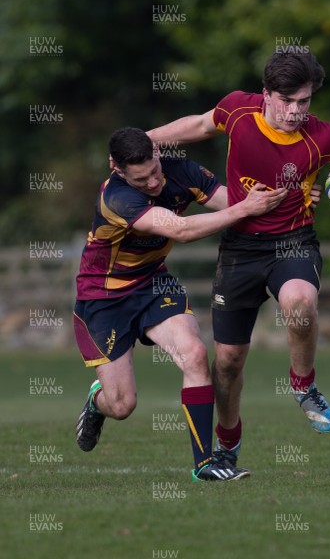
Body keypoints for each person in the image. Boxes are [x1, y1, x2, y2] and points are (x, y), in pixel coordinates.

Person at [146, 50, 330, 472]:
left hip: (294, 241)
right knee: (227, 361)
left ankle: (303, 384)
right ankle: (228, 441)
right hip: (240, 247)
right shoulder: (239, 110)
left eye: (305, 101)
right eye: (288, 100)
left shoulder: (324, 137)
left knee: (299, 301)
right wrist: (146, 140)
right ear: (266, 95)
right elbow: (200, 125)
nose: (297, 111)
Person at [74, 126, 287, 482]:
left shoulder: (181, 170)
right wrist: (244, 210)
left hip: (154, 283)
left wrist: (291, 198)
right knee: (122, 405)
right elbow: (182, 230)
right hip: (103, 298)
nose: (155, 183)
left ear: (157, 153)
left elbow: (235, 203)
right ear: (117, 168)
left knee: (195, 353)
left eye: (156, 172)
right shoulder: (117, 198)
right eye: (142, 180)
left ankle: (206, 464)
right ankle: (98, 403)